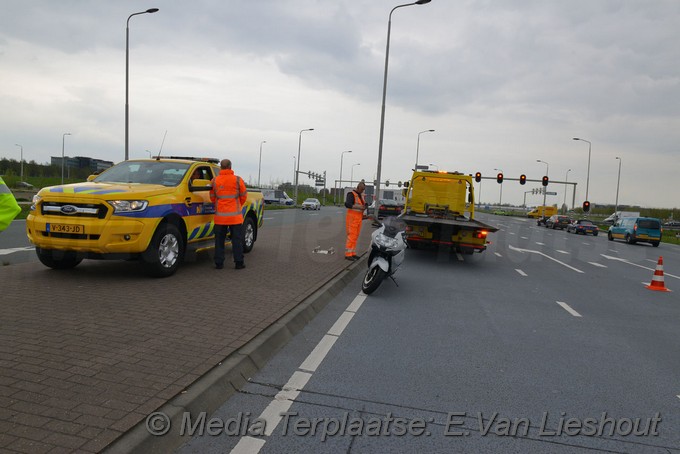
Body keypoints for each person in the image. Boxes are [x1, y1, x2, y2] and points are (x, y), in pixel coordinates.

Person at [210, 159, 248, 269]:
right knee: (237, 241)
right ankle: (239, 263)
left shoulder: (215, 180)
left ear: (221, 168)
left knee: (219, 241)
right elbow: (244, 196)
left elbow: (212, 197)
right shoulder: (237, 180)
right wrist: (237, 206)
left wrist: (219, 205)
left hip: (220, 217)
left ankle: (219, 263)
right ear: (230, 167)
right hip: (235, 217)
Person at [344, 180, 368, 261]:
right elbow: (347, 204)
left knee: (355, 237)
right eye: (361, 189)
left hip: (358, 219)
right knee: (351, 237)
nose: (362, 191)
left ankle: (352, 253)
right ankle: (348, 254)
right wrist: (360, 207)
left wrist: (364, 209)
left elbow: (361, 207)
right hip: (352, 219)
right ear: (358, 187)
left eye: (363, 190)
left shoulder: (360, 196)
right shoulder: (351, 194)